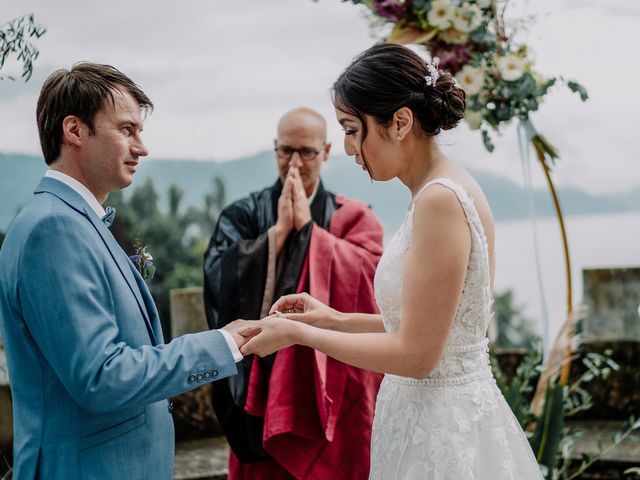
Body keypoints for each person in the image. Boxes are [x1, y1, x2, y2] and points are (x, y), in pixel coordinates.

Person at [240, 44, 544, 479]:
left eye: (351, 129)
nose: (347, 149)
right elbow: (423, 325)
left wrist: (298, 335)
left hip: (441, 432)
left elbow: (418, 354)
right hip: (425, 418)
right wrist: (330, 320)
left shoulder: (439, 199)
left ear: (400, 122)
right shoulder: (435, 189)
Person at [0, 63, 250, 479]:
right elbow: (102, 376)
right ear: (75, 131)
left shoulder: (76, 219)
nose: (142, 147)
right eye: (127, 130)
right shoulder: (53, 228)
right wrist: (224, 344)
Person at [203, 107, 384, 479]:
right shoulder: (243, 215)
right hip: (261, 381)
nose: (295, 163)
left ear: (327, 152)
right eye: (286, 151)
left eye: (307, 152)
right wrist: (278, 236)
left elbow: (372, 282)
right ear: (274, 149)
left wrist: (310, 233)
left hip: (332, 380)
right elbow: (219, 281)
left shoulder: (353, 217)